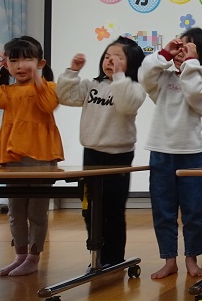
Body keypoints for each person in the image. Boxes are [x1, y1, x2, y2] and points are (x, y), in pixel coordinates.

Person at [56, 37, 146, 268]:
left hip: (119, 156)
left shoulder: (134, 88)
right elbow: (65, 96)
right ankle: (97, 253)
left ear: (132, 63)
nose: (110, 61)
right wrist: (72, 72)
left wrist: (119, 77)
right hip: (92, 154)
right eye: (107, 56)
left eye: (118, 58)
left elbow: (126, 105)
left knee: (114, 209)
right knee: (91, 208)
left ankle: (114, 258)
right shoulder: (91, 85)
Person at [0, 35, 64, 277]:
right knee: (15, 210)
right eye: (14, 60)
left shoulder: (47, 87)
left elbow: (48, 104)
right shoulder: (7, 91)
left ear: (41, 63)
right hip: (13, 156)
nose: (20, 65)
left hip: (40, 156)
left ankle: (33, 257)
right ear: (7, 65)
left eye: (27, 59)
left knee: (36, 211)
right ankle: (19, 255)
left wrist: (37, 77)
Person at [139, 28, 202, 280]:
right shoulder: (163, 78)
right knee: (163, 210)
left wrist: (192, 63)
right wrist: (164, 53)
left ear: (200, 56)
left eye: (189, 48)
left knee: (193, 211)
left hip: (192, 153)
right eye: (180, 46)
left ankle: (191, 258)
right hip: (161, 152)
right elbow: (144, 74)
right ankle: (169, 260)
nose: (182, 52)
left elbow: (193, 95)